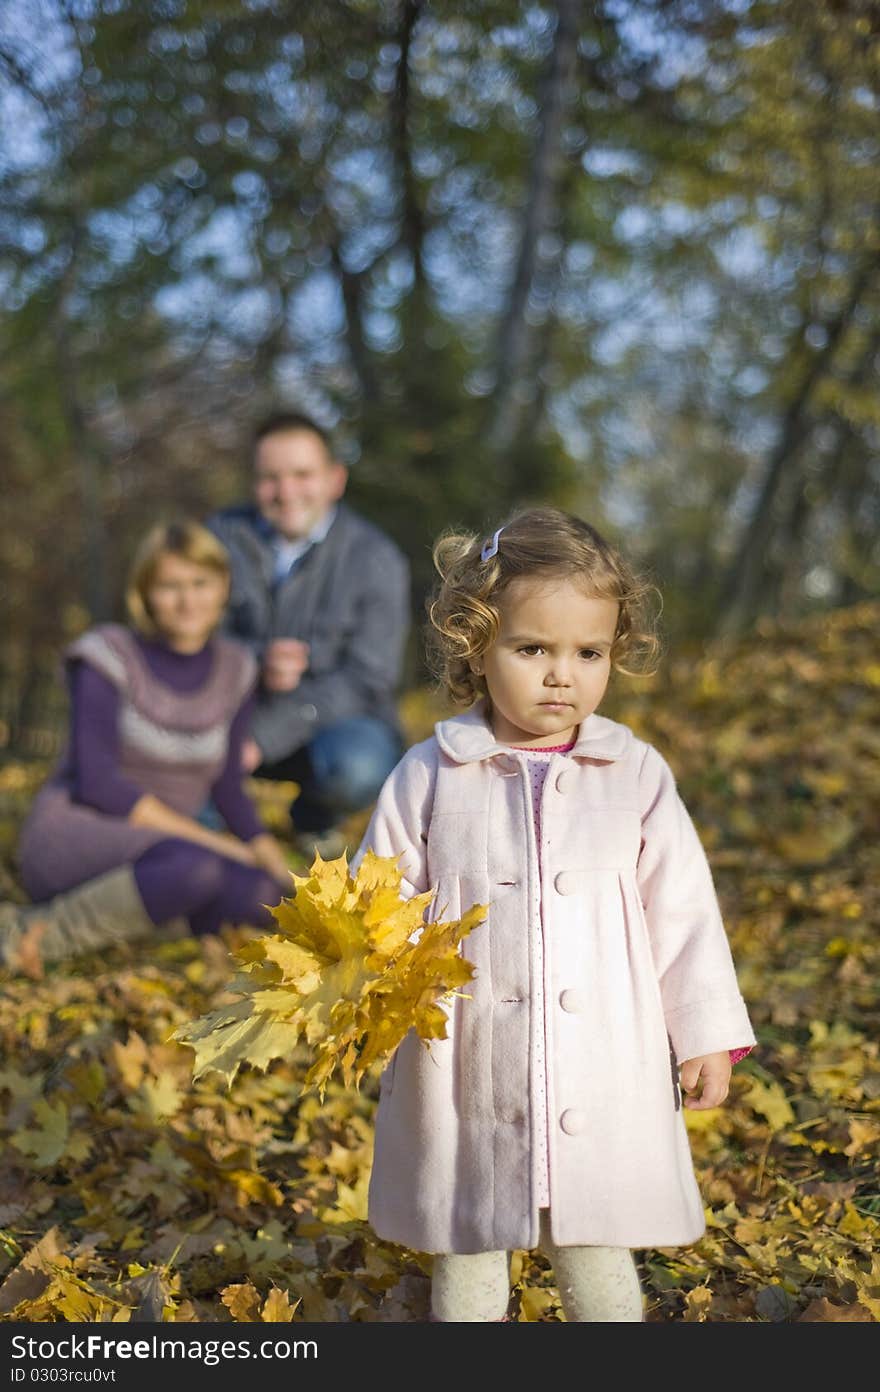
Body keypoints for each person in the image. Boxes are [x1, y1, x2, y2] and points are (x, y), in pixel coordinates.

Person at [350, 506, 756, 1323]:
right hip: (465, 1054)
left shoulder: (632, 774)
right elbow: (375, 902)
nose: (561, 675)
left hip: (600, 1053)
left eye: (588, 652)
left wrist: (704, 1029)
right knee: (470, 1237)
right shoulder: (431, 773)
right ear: (478, 646)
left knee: (597, 1242)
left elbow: (681, 909)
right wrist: (369, 1002)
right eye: (533, 648)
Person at [0, 520, 291, 977]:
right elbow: (100, 784)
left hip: (165, 850)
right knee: (197, 868)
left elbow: (228, 785)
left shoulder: (237, 668)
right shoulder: (106, 656)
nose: (187, 600)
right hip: (80, 832)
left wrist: (276, 863)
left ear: (223, 587)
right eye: (169, 586)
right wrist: (217, 843)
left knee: (265, 894)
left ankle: (146, 916)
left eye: (200, 583)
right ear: (144, 593)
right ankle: (29, 934)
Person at [206, 411, 410, 859]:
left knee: (356, 767)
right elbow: (186, 637)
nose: (286, 492)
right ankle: (212, 824)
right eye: (270, 478)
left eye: (302, 475)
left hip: (335, 728)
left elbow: (369, 678)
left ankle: (314, 819)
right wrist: (256, 660)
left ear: (335, 479)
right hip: (235, 716)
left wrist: (266, 732)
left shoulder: (376, 557)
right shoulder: (217, 539)